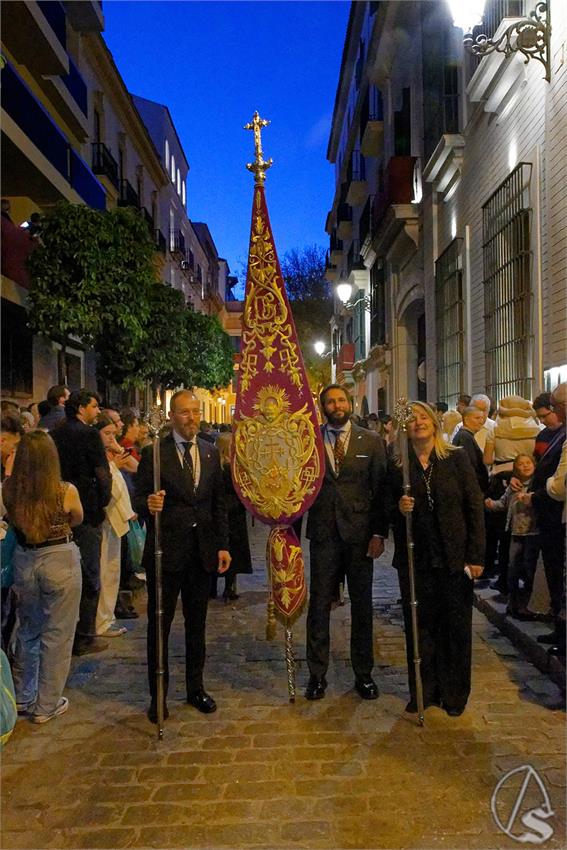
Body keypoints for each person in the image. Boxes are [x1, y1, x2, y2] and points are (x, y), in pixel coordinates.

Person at [134, 390, 230, 723]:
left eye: (196, 412)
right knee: (159, 626)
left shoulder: (210, 452)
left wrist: (222, 545)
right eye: (185, 413)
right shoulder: (154, 455)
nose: (192, 418)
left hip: (201, 552)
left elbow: (219, 503)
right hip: (166, 552)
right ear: (172, 416)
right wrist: (149, 504)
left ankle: (195, 687)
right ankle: (157, 696)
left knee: (197, 626)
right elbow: (138, 499)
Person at [391, 402, 485, 717]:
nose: (418, 423)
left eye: (423, 418)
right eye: (412, 419)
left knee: (455, 627)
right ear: (405, 428)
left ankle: (454, 693)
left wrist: (476, 556)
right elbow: (387, 511)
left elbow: (474, 507)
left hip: (453, 557)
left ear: (434, 423)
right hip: (417, 559)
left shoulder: (456, 458)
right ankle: (423, 690)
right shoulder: (399, 467)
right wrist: (399, 507)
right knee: (420, 627)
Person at [304, 384, 388, 702]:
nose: (336, 405)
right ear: (322, 406)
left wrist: (379, 533)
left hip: (360, 535)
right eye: (330, 401)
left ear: (349, 403)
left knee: (362, 607)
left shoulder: (372, 441)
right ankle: (316, 674)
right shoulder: (309, 442)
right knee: (319, 606)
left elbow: (380, 490)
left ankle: (363, 674)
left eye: (341, 400)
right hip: (324, 534)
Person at [3, 431, 83, 723]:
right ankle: (47, 705)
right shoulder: (64, 490)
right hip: (58, 557)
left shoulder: (10, 489)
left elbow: (11, 519)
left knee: (28, 629)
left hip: (25, 559)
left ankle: (24, 694)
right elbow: (77, 517)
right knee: (58, 634)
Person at [51, 390, 112, 656]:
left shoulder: (56, 434)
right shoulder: (88, 435)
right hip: (87, 510)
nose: (97, 411)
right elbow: (102, 472)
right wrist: (103, 500)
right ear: (80, 408)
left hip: (61, 510)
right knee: (90, 575)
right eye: (94, 406)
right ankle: (85, 635)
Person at [94, 417, 136, 639]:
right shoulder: (95, 455)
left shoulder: (111, 452)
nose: (113, 438)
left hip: (117, 520)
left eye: (114, 433)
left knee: (112, 569)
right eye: (108, 433)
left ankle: (107, 617)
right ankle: (102, 620)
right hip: (105, 519)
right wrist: (112, 466)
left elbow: (135, 467)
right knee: (105, 570)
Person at [486, 454, 539, 619]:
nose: (525, 466)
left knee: (530, 570)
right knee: (513, 568)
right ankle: (513, 603)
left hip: (532, 533)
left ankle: (528, 604)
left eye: (528, 463)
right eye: (521, 464)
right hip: (516, 533)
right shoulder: (512, 487)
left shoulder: (537, 485)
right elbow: (502, 503)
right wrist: (489, 503)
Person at [211, 432, 253, 602]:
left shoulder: (215, 467)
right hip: (233, 513)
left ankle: (211, 587)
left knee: (217, 549)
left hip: (219, 514)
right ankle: (229, 586)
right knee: (232, 551)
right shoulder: (231, 469)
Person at [452, 407, 489, 494]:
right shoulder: (465, 438)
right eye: (477, 418)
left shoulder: (465, 436)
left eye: (482, 418)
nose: (481, 421)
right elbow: (469, 466)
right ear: (466, 419)